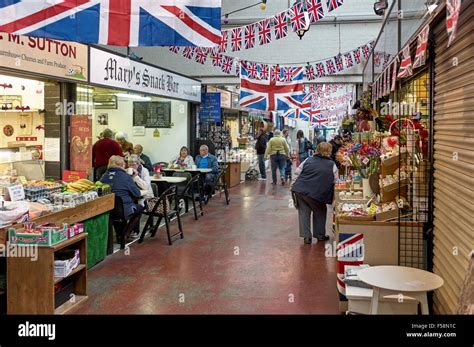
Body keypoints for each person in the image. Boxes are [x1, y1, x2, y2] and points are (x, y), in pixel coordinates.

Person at [291, 142, 338, 244]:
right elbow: (336, 181)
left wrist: (293, 185)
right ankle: (320, 235)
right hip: (318, 193)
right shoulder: (331, 165)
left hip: (300, 190)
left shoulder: (308, 160)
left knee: (303, 212)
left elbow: (297, 173)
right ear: (329, 151)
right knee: (320, 211)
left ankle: (306, 237)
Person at [100, 156, 144, 241]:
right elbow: (137, 194)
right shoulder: (125, 176)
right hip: (123, 210)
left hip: (107, 210)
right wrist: (134, 177)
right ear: (122, 165)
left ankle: (120, 234)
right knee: (139, 208)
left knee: (116, 209)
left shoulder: (104, 176)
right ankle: (126, 234)